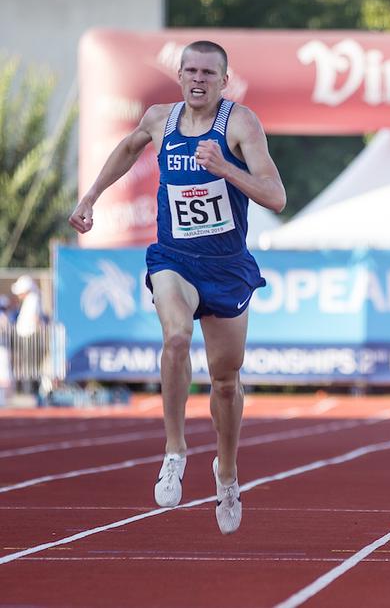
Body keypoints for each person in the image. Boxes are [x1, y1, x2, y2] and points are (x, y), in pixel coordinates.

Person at [69, 40, 285, 535]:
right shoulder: (159, 119)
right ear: (180, 75)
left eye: (209, 72)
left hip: (227, 266)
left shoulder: (241, 124)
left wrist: (225, 168)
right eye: (190, 70)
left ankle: (226, 475)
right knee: (175, 338)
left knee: (226, 381)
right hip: (174, 258)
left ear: (223, 80)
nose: (198, 79)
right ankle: (174, 452)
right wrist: (91, 198)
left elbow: (276, 196)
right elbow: (126, 149)